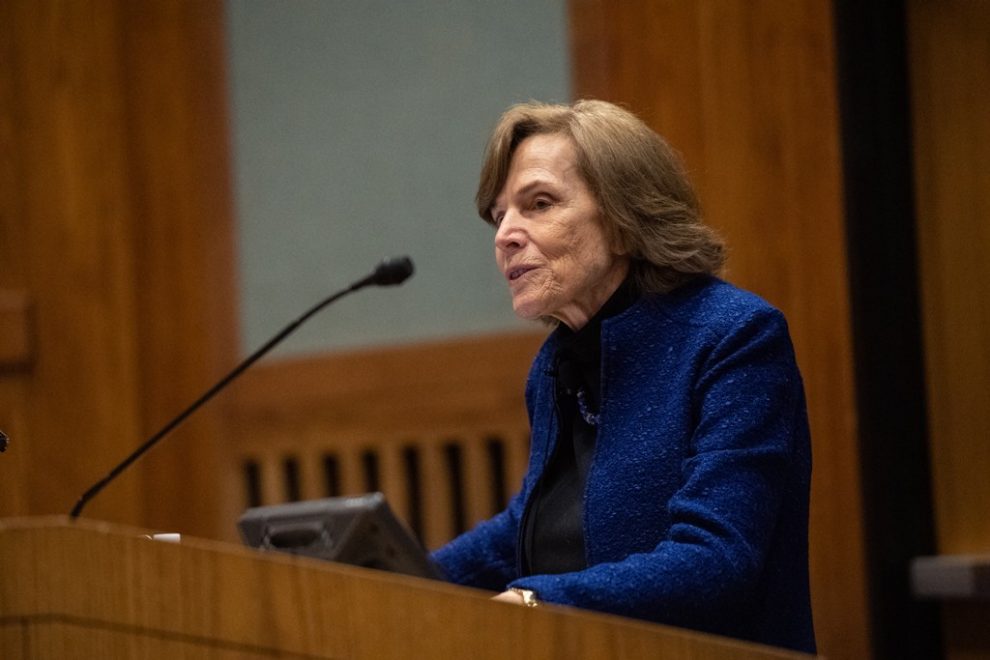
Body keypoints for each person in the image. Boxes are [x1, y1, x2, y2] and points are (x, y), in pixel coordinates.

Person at [431, 100, 815, 654]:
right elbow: (534, 524)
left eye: (538, 204)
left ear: (622, 220)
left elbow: (717, 558)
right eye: (499, 216)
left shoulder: (734, 337)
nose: (505, 235)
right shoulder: (556, 365)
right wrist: (395, 575)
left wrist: (535, 602)